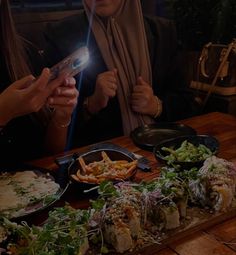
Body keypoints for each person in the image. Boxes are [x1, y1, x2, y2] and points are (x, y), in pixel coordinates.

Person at [44, 0, 200, 147]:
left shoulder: (162, 32)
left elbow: (186, 103)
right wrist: (90, 104)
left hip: (161, 151)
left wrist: (156, 105)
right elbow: (49, 120)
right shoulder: (61, 35)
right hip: (101, 161)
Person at [0, 0, 79, 169]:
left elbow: (49, 155)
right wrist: (3, 112)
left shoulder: (24, 54)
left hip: (33, 188)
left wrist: (62, 115)